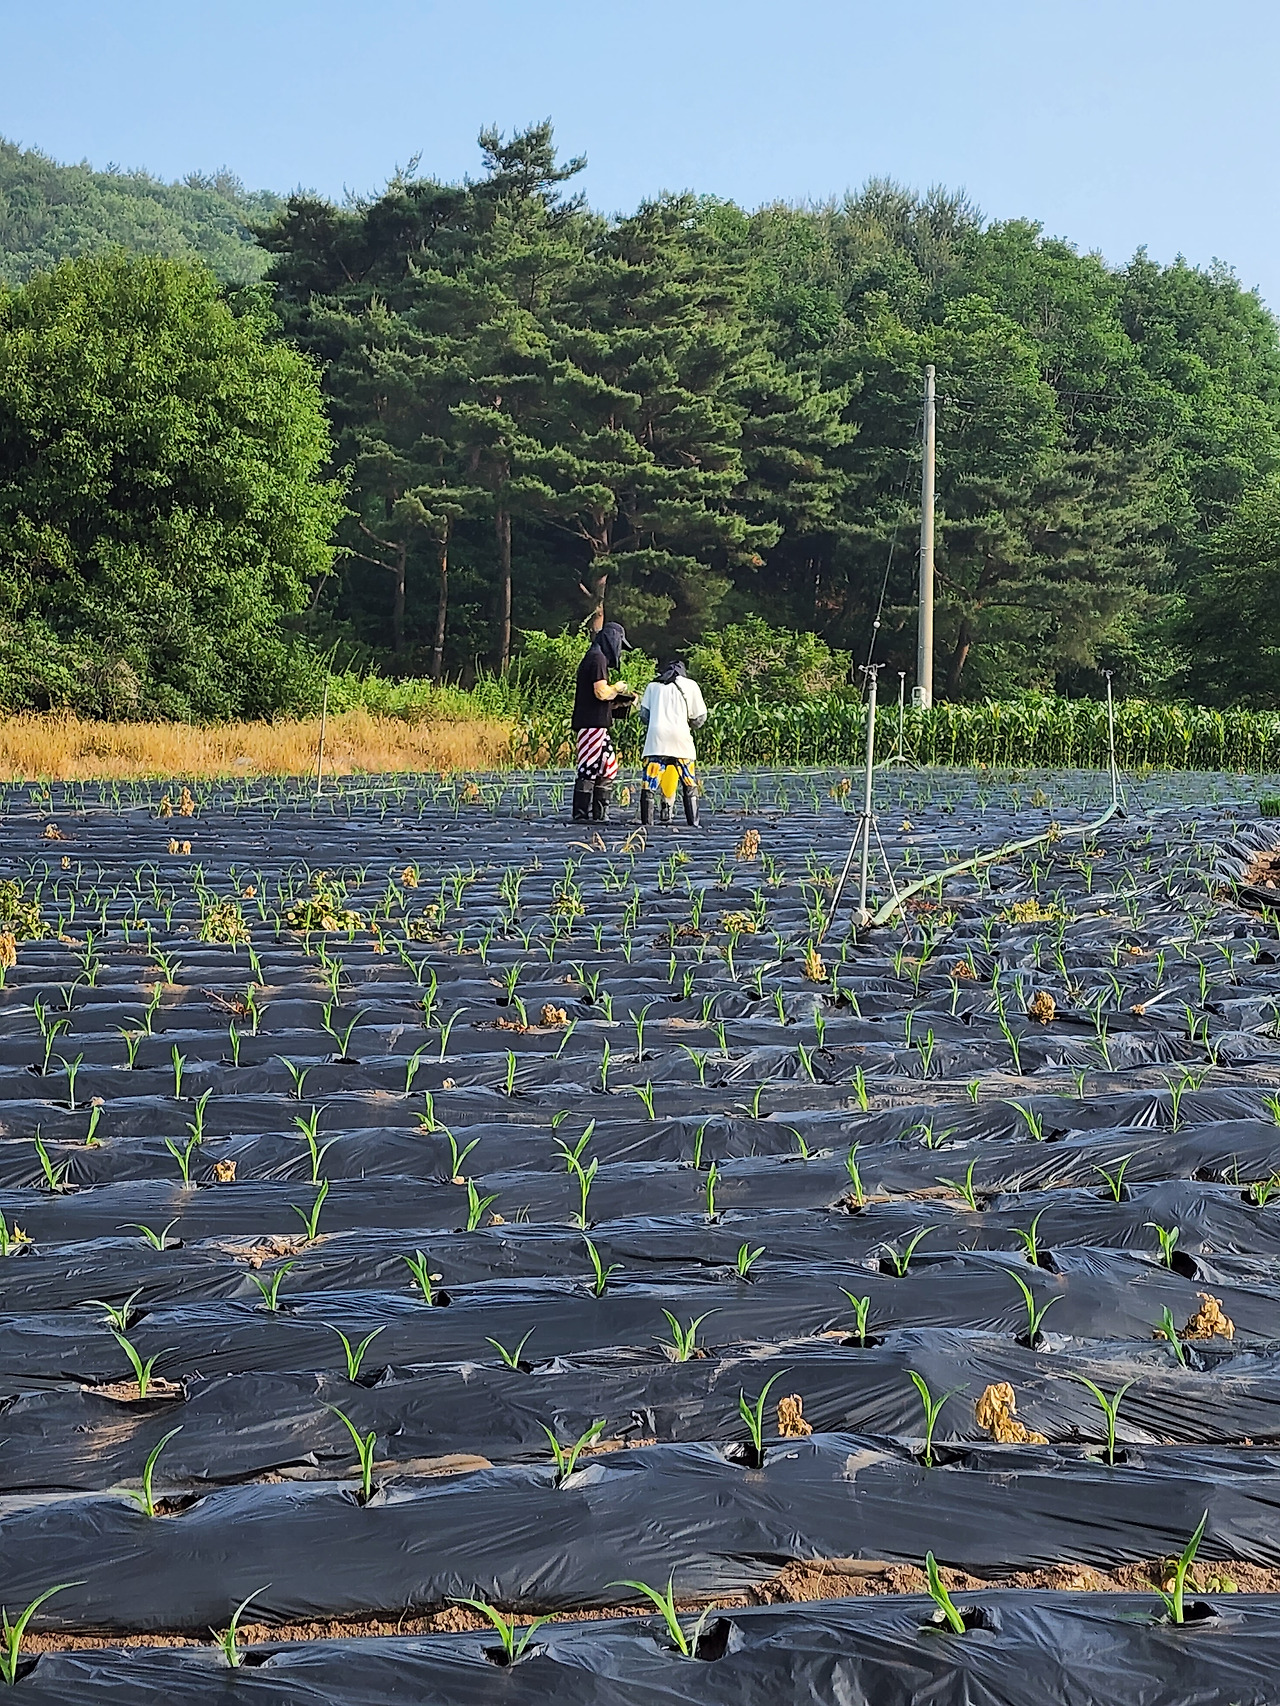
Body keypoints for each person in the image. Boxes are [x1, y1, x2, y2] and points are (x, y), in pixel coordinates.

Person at [570, 621, 634, 822]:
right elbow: (600, 692)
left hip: (598, 724)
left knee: (608, 767)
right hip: (592, 724)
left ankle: (599, 814)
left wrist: (620, 703)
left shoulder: (596, 657)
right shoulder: (597, 659)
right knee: (589, 768)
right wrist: (617, 689)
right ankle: (581, 815)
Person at [638, 659, 707, 827]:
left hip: (656, 740)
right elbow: (700, 718)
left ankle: (647, 823)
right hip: (681, 738)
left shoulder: (652, 686)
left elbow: (644, 716)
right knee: (689, 782)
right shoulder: (691, 685)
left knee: (649, 784)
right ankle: (693, 823)